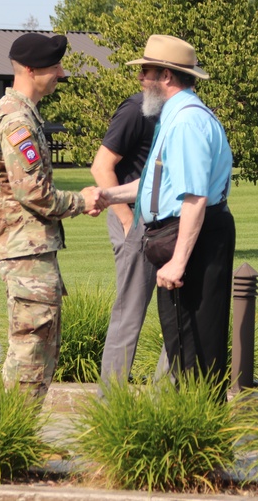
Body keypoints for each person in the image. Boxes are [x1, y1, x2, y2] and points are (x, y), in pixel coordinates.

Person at [0, 32, 105, 400]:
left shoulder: (7, 112)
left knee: (33, 344)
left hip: (22, 246)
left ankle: (12, 433)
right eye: (55, 67)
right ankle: (11, 434)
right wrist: (82, 201)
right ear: (31, 70)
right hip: (24, 248)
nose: (61, 74)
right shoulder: (17, 121)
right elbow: (33, 192)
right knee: (33, 348)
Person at [102, 35, 235, 387]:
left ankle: (199, 431)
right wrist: (107, 195)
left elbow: (194, 198)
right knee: (182, 341)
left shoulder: (187, 122)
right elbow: (156, 184)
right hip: (182, 232)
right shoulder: (174, 116)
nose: (140, 78)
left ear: (166, 76)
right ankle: (191, 427)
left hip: (192, 235)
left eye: (145, 71)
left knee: (193, 348)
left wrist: (177, 260)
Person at [91, 92, 168, 390]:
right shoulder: (136, 110)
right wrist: (126, 222)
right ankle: (110, 403)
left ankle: (166, 403)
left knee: (178, 312)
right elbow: (101, 166)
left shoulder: (180, 110)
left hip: (170, 220)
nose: (142, 76)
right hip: (135, 219)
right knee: (130, 312)